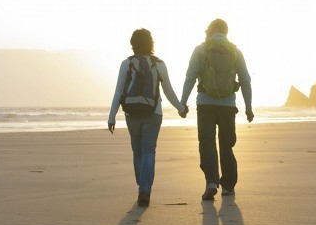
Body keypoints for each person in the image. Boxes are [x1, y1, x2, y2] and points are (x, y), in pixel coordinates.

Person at [108, 28, 186, 206]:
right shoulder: (159, 64)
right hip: (154, 113)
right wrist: (181, 108)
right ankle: (145, 189)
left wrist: (111, 116)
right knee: (149, 151)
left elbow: (119, 91)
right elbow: (168, 91)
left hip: (132, 113)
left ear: (132, 44)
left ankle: (141, 187)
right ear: (151, 43)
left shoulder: (126, 64)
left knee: (138, 152)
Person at [180, 18, 253, 201]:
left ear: (210, 31)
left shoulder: (201, 49)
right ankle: (228, 186)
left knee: (207, 142)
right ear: (226, 32)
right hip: (227, 105)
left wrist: (182, 103)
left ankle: (211, 182)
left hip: (205, 103)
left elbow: (190, 76)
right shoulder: (236, 52)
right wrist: (249, 107)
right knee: (226, 144)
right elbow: (245, 80)